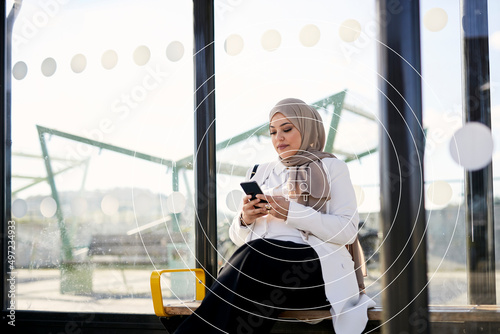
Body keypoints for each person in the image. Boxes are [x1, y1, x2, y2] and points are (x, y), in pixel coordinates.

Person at [174, 98, 375, 334]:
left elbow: (347, 230)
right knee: (250, 281)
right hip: (263, 274)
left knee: (256, 255)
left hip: (314, 274)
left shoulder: (332, 167)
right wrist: (245, 219)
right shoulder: (261, 171)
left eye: (287, 129)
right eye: (272, 132)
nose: (278, 137)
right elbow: (239, 239)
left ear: (307, 129)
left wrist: (292, 212)